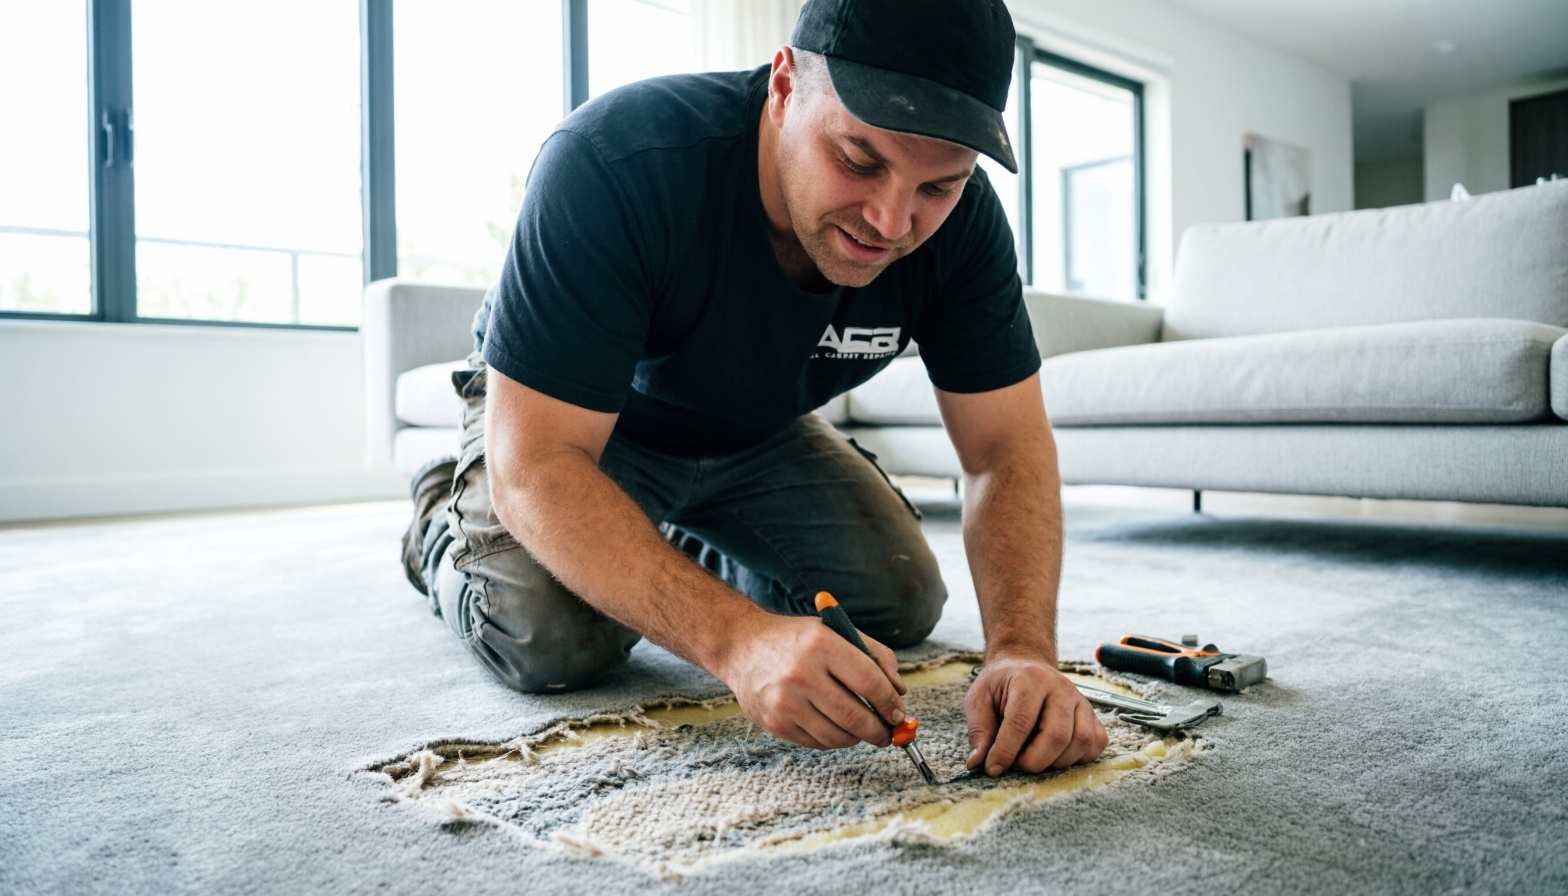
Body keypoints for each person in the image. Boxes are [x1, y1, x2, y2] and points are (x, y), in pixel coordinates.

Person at [402, 0, 1108, 777]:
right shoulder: (615, 161)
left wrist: (1024, 650)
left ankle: (661, 541)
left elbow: (1006, 448)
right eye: (859, 160)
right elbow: (538, 465)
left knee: (896, 604)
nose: (890, 220)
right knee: (548, 638)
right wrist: (738, 640)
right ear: (782, 87)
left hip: (760, 426)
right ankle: (445, 513)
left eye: (937, 187)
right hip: (584, 428)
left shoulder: (965, 228)